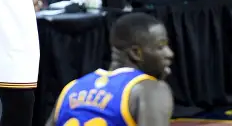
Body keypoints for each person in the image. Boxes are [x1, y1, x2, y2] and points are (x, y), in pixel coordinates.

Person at [46, 12, 174, 126]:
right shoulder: (149, 89)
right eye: (160, 47)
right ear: (136, 53)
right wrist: (157, 86)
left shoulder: (71, 88)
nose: (169, 54)